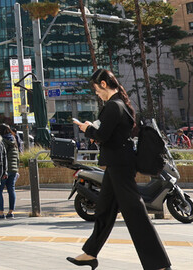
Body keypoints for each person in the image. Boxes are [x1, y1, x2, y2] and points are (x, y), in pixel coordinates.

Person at [68, 69, 171, 270]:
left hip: (119, 166)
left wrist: (86, 128)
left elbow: (103, 136)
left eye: (97, 89)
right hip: (118, 164)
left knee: (136, 215)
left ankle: (159, 264)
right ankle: (90, 253)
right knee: (104, 211)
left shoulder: (114, 106)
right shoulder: (119, 105)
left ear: (104, 85)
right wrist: (93, 129)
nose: (96, 93)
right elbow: (110, 135)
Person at [0, 123, 19, 219]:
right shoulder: (14, 140)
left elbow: (1, 156)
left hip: (4, 169)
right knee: (11, 189)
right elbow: (17, 156)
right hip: (14, 169)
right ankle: (11, 212)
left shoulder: (2, 141)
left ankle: (1, 212)